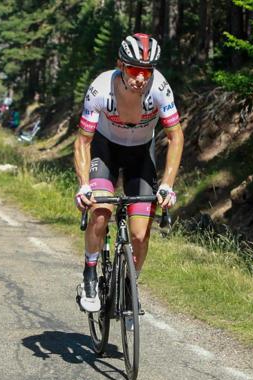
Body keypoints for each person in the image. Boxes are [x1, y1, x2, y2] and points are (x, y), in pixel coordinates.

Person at [73, 33, 183, 315]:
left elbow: (176, 136)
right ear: (120, 65)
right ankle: (89, 273)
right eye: (134, 70)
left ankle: (129, 284)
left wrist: (168, 185)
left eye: (147, 71)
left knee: (139, 234)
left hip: (140, 154)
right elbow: (83, 141)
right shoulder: (100, 89)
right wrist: (84, 185)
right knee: (99, 210)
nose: (141, 78)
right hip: (104, 149)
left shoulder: (160, 88)